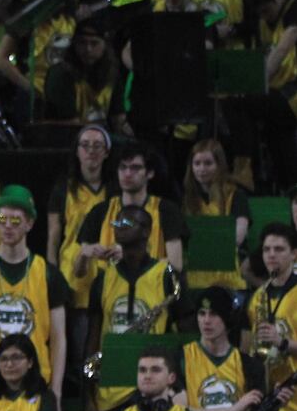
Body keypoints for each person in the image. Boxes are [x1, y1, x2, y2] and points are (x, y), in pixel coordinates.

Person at [0, 185, 70, 399]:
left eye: (16, 221)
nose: (8, 226)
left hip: (37, 385)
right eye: (2, 220)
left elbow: (58, 338)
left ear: (29, 223)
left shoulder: (49, 274)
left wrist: (55, 390)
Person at [84, 204, 178, 411]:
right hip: (110, 393)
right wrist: (88, 395)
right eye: (117, 222)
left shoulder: (166, 275)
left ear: (146, 231)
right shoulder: (103, 278)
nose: (119, 227)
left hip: (155, 389)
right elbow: (93, 337)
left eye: (127, 223)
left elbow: (182, 333)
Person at [77, 142, 188, 275]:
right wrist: (84, 255)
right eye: (123, 167)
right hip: (109, 291)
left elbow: (176, 266)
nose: (128, 174)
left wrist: (132, 258)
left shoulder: (166, 210)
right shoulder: (100, 211)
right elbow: (79, 273)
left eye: (135, 168)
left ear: (150, 173)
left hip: (152, 291)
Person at [180, 287, 265, 411]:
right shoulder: (180, 357)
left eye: (214, 314)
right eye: (202, 313)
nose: (206, 321)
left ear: (228, 318)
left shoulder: (250, 365)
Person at [48, 125, 113, 314]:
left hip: (106, 269)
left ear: (107, 152)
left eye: (97, 146)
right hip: (72, 271)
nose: (91, 151)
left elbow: (123, 224)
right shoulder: (63, 188)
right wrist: (52, 272)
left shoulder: (114, 190)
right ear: (77, 151)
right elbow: (54, 234)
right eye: (85, 145)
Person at [247, 224, 297, 411]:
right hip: (269, 399)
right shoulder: (258, 296)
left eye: (279, 249)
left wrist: (282, 342)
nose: (271, 255)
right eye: (267, 249)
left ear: (294, 254)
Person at [184, 139, 251, 289]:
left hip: (228, 276)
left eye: (208, 163)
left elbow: (239, 236)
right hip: (195, 278)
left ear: (219, 165)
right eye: (197, 163)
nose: (202, 169)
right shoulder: (186, 199)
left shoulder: (235, 196)